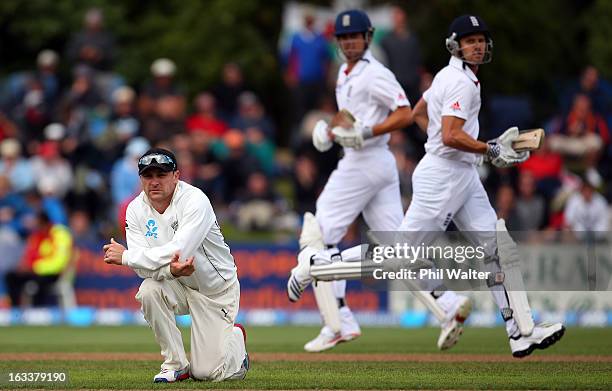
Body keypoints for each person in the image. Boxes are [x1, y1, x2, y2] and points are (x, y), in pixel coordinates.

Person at [291, 14, 565, 358]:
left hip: (460, 173)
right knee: (399, 255)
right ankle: (316, 266)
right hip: (445, 175)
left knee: (496, 247)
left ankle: (521, 331)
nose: (477, 46)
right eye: (470, 41)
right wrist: (489, 148)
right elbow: (450, 136)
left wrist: (450, 142)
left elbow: (418, 112)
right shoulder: (461, 83)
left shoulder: (449, 76)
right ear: (456, 45)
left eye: (481, 40)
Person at [288, 9, 471, 353]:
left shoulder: (375, 73)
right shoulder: (344, 73)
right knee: (399, 247)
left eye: (355, 36)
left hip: (364, 162)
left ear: (368, 37)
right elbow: (350, 115)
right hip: (374, 165)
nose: (349, 42)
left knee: (318, 232)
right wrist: (331, 129)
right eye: (343, 38)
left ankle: (338, 321)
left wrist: (368, 131)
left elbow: (403, 111)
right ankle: (447, 304)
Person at [102, 148, 249, 382]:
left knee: (206, 373)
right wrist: (169, 269)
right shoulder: (135, 209)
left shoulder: (195, 200)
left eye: (161, 175)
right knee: (149, 289)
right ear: (140, 179)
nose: (154, 182)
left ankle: (235, 343)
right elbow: (143, 269)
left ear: (176, 176)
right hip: (176, 282)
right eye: (148, 176)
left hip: (214, 291)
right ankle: (175, 364)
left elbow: (179, 250)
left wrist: (127, 257)